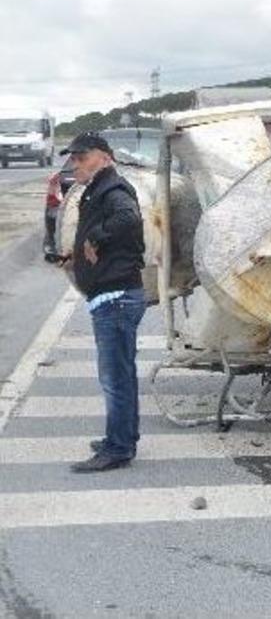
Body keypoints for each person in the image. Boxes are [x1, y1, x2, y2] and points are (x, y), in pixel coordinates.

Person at [59, 132, 146, 473]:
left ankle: (118, 448)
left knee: (115, 378)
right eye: (73, 158)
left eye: (82, 157)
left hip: (117, 299)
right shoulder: (99, 189)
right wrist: (76, 254)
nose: (75, 163)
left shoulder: (114, 189)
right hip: (112, 297)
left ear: (105, 158)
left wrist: (95, 237)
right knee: (122, 373)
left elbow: (128, 219)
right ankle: (125, 435)